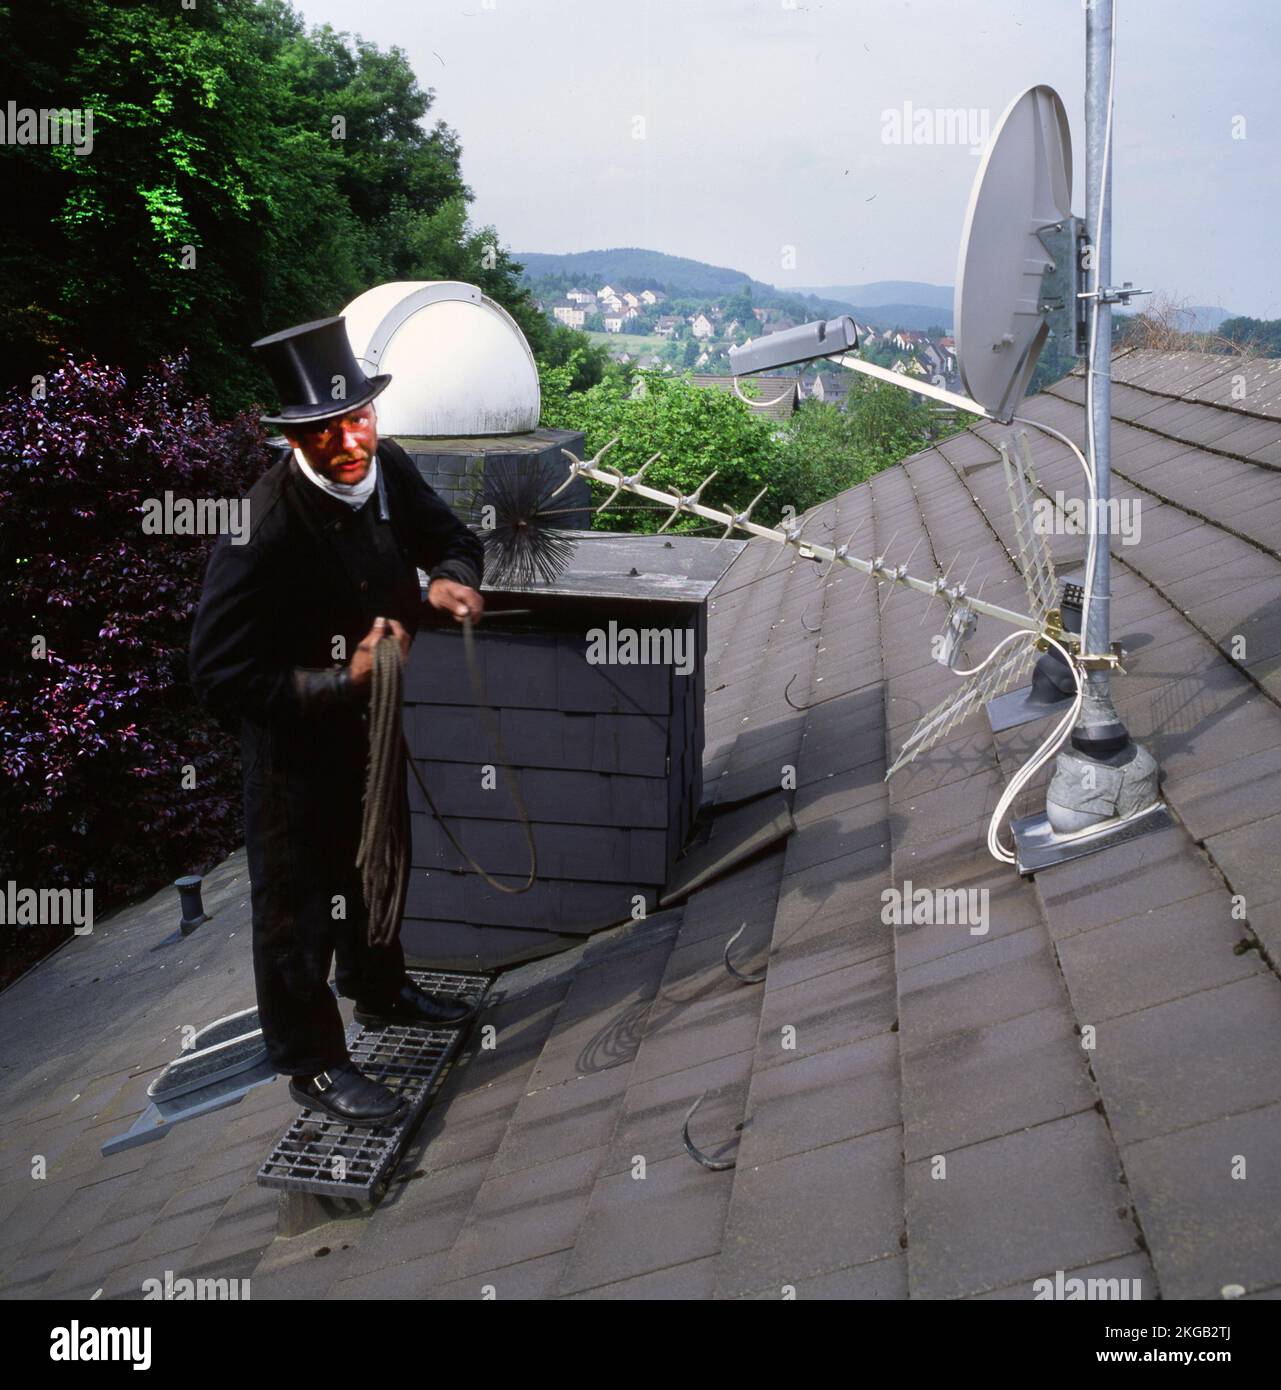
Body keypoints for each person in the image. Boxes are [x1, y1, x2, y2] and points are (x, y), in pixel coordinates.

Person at [188, 316, 487, 1126]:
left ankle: (380, 990)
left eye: (357, 420)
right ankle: (313, 1063)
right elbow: (217, 674)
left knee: (378, 862)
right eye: (325, 433)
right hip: (292, 759)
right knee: (296, 908)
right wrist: (339, 678)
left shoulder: (384, 468)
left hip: (369, 736)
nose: (349, 442)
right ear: (296, 440)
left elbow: (451, 539)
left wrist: (447, 582)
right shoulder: (260, 530)